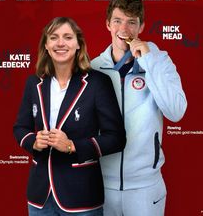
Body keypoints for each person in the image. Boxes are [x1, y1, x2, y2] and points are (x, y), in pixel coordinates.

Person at [13, 17, 126, 216]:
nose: (60, 43)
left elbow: (116, 138)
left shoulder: (98, 83)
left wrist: (71, 146)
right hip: (40, 198)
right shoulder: (33, 83)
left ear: (78, 44)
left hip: (82, 196)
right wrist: (33, 141)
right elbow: (20, 128)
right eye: (54, 37)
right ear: (46, 45)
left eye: (67, 37)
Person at [91, 0, 187, 216]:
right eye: (117, 20)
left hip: (146, 187)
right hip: (101, 185)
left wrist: (148, 61)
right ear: (108, 24)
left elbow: (176, 111)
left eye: (131, 22)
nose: (124, 28)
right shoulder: (93, 69)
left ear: (141, 26)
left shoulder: (160, 61)